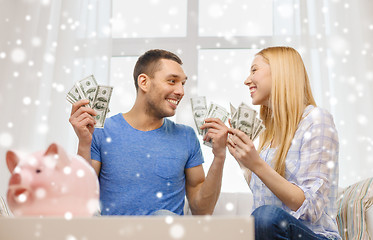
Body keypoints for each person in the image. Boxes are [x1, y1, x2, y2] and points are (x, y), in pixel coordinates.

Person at [69, 49, 228, 216]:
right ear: (144, 82)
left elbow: (202, 210)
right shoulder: (102, 131)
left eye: (183, 83)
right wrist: (84, 143)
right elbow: (82, 200)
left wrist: (220, 156)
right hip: (116, 235)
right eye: (172, 81)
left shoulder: (186, 137)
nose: (181, 91)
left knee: (163, 217)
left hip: (164, 233)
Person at [227, 46, 341, 239]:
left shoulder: (317, 120)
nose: (247, 80)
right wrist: (242, 160)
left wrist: (257, 164)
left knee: (265, 217)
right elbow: (267, 194)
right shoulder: (270, 132)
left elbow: (310, 208)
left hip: (316, 235)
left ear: (280, 73)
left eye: (254, 70)